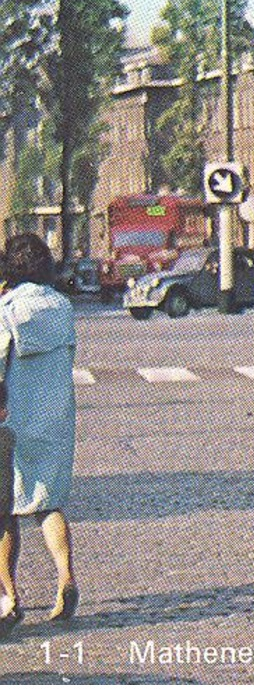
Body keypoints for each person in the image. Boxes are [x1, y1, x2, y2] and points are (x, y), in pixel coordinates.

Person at [0, 233, 79, 633]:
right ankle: (65, 576)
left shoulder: (7, 310)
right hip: (55, 417)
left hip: (11, 421)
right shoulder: (62, 307)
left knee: (6, 511)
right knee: (48, 502)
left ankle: (10, 597)